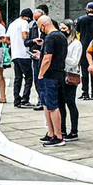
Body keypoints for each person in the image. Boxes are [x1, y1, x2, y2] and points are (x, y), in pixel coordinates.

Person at [37, 16, 68, 147]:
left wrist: (40, 74)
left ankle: (58, 135)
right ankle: (51, 133)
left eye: (40, 27)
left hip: (50, 75)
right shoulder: (62, 36)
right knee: (47, 104)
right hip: (58, 73)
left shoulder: (50, 38)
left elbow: (47, 59)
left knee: (52, 106)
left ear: (44, 25)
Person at [59, 19, 82, 141]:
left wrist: (62, 57)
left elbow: (74, 61)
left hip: (71, 74)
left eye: (64, 29)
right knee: (60, 104)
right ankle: (62, 129)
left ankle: (74, 130)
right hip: (61, 74)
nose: (62, 31)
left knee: (70, 103)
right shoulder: (64, 42)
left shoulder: (76, 44)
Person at [76, 2, 93, 100]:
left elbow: (77, 31)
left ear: (87, 9)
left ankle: (85, 92)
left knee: (84, 70)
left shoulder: (81, 19)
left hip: (84, 46)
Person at [7, 8, 33, 108]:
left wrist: (14, 43)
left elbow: (7, 39)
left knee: (17, 78)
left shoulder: (12, 24)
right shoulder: (24, 23)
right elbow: (24, 36)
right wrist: (30, 40)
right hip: (24, 54)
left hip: (15, 54)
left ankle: (16, 99)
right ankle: (25, 98)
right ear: (27, 17)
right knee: (28, 77)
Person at [25, 6, 49, 110]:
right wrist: (33, 41)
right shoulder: (33, 27)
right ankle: (40, 99)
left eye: (38, 18)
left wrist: (44, 44)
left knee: (45, 78)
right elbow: (26, 41)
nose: (37, 21)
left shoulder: (50, 26)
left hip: (45, 55)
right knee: (37, 79)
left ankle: (45, 99)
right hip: (35, 56)